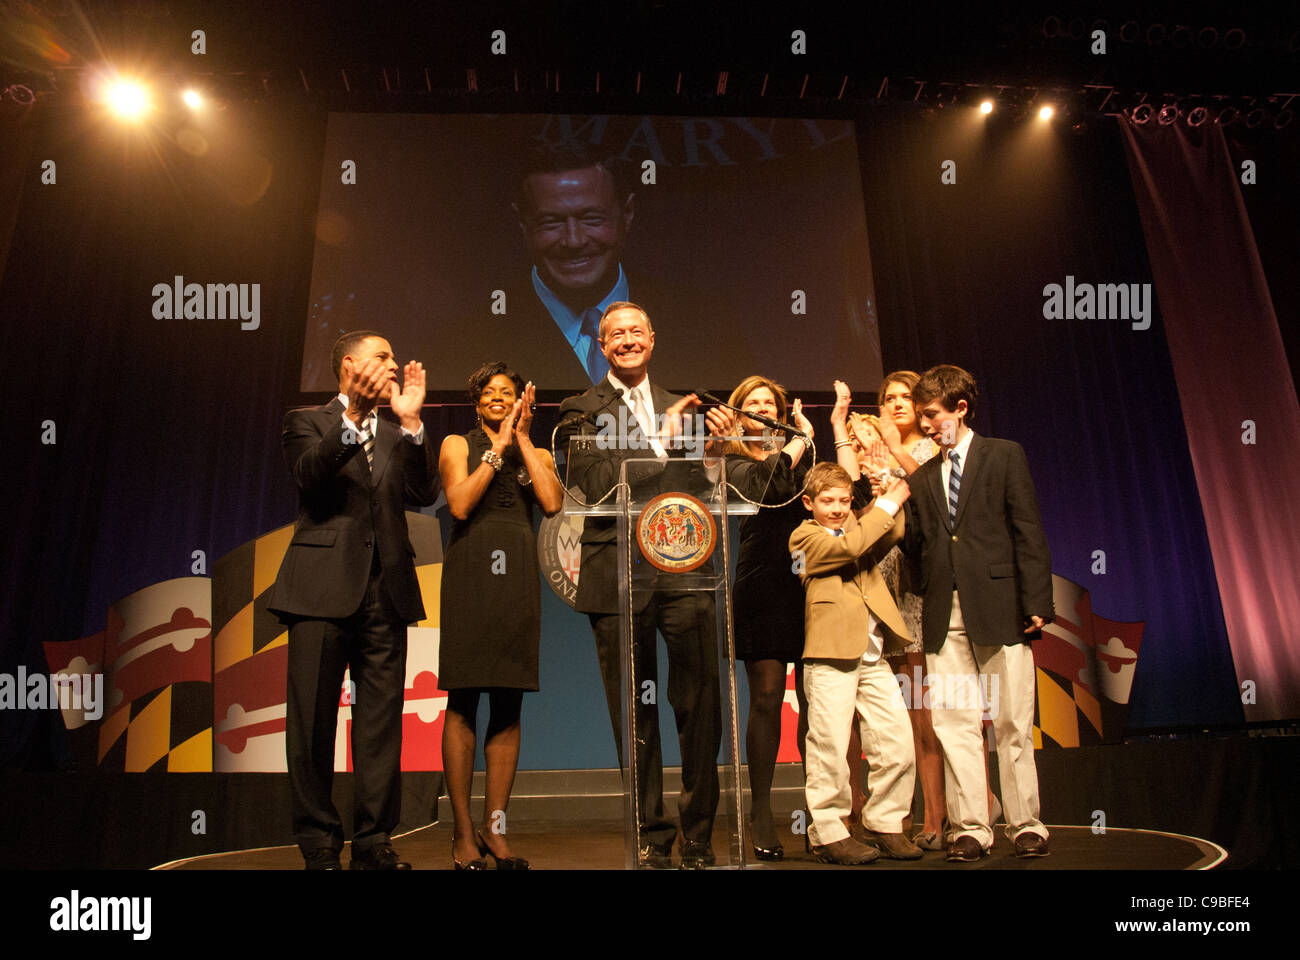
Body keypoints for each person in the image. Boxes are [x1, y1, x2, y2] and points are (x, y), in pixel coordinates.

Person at [554, 300, 721, 869]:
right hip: (618, 573)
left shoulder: (686, 406)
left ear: (653, 338)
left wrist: (718, 451)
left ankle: (698, 835)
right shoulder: (579, 409)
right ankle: (652, 834)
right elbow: (595, 484)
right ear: (602, 348)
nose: (627, 340)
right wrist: (658, 445)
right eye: (615, 334)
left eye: (635, 331)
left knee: (700, 703)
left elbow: (701, 485)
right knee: (635, 710)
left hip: (686, 570)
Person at [268, 329, 440, 870]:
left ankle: (373, 840)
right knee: (313, 721)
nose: (394, 364)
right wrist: (352, 421)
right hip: (320, 588)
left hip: (386, 591)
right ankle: (319, 841)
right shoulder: (308, 420)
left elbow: (422, 492)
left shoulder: (393, 431)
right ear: (349, 365)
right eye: (383, 355)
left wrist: (411, 424)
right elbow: (309, 477)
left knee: (381, 723)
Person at [900, 364, 1054, 861]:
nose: (924, 424)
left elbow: (1027, 529)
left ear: (960, 408)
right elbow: (921, 546)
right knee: (953, 722)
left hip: (1002, 606)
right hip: (945, 612)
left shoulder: (1004, 455)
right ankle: (971, 827)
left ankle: (1026, 822)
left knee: (1011, 719)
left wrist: (1036, 601)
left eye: (931, 414)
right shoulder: (923, 476)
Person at [437, 363, 563, 870]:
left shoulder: (538, 450)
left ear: (520, 401)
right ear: (476, 402)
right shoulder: (456, 444)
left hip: (517, 577)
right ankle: (463, 835)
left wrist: (525, 440)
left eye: (506, 393)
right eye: (488, 392)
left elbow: (552, 503)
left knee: (509, 703)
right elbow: (461, 504)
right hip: (471, 571)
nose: (497, 398)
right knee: (464, 699)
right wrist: (496, 450)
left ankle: (496, 831)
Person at [831, 375, 947, 851]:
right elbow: (845, 485)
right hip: (875, 589)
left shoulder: (930, 453)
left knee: (924, 716)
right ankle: (872, 815)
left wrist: (894, 454)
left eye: (905, 397)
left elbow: (932, 508)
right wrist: (841, 424)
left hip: (916, 590)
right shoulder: (864, 460)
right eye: (888, 398)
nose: (896, 404)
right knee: (874, 717)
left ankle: (939, 817)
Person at [703, 376, 815, 861]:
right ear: (740, 414)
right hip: (763, 578)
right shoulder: (729, 457)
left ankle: (823, 813)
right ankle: (762, 811)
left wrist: (809, 440)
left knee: (818, 702)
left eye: (771, 403)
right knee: (767, 696)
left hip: (813, 581)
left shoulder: (803, 453)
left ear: (783, 411)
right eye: (753, 404)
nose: (763, 408)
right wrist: (797, 443)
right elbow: (769, 488)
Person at [788, 462, 921, 864]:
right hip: (830, 653)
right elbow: (844, 550)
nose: (838, 508)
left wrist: (889, 496)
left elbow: (891, 533)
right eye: (828, 501)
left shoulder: (857, 530)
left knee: (897, 743)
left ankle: (885, 823)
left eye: (845, 501)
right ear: (809, 502)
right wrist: (885, 503)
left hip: (872, 654)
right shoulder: (804, 536)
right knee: (829, 746)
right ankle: (828, 832)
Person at [512, 143, 637, 384]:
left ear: (627, 213)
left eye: (591, 218)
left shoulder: (694, 319)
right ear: (523, 225)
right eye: (551, 222)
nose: (574, 241)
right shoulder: (470, 333)